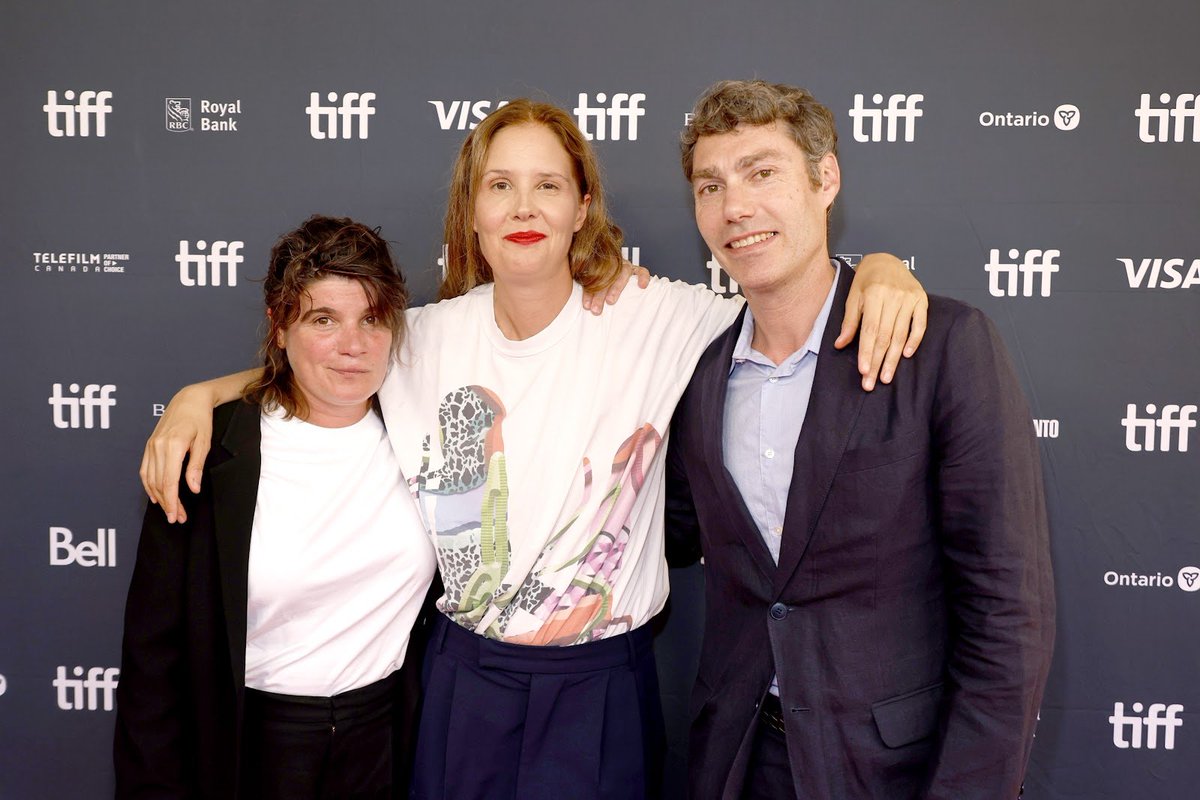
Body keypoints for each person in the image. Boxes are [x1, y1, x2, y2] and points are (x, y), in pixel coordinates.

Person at [139, 99, 928, 800]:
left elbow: (787, 294)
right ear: (473, 210)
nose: (525, 206)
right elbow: (327, 363)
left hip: (601, 684)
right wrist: (199, 395)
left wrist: (880, 271)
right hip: (460, 679)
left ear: (583, 205)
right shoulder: (424, 338)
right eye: (500, 185)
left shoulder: (658, 315)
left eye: (548, 185)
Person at [665, 80, 1056, 800]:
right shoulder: (699, 376)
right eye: (710, 185)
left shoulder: (942, 345)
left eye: (762, 172)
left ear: (826, 179)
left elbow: (1008, 606)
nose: (735, 207)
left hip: (899, 769)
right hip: (740, 760)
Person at [114, 216, 438, 799]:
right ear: (279, 326)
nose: (354, 345)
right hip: (251, 750)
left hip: (387, 745)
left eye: (372, 318)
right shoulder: (208, 454)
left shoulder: (420, 422)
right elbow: (153, 669)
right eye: (323, 320)